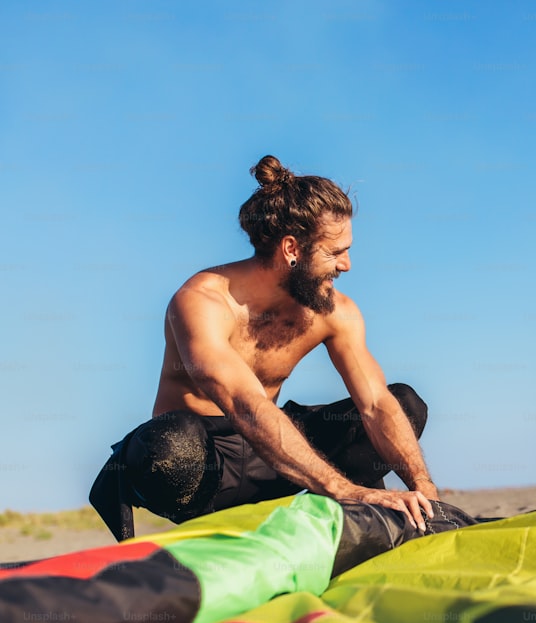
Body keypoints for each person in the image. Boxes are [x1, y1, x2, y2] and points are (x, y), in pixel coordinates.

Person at [90, 155, 437, 540]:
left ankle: (348, 520)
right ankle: (224, 528)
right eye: (334, 252)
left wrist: (423, 486)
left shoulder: (335, 311)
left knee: (403, 402)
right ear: (292, 249)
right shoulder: (203, 300)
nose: (348, 265)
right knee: (170, 444)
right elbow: (243, 402)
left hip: (269, 459)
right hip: (201, 467)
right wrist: (342, 488)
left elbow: (375, 404)